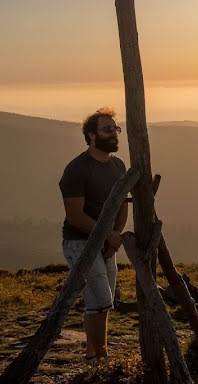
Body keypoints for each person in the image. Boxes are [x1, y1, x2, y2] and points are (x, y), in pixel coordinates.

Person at [59, 107, 129, 364]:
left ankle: (95, 353)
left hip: (106, 242)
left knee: (103, 301)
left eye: (116, 129)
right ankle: (99, 358)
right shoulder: (77, 169)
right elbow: (75, 215)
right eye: (107, 130)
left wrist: (116, 235)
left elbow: (122, 204)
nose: (114, 134)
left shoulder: (118, 165)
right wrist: (107, 236)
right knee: (100, 300)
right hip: (80, 243)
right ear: (91, 135)